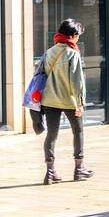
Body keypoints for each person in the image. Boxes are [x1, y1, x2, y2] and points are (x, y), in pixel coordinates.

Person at [39, 18, 93, 185]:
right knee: (78, 132)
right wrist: (80, 102)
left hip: (49, 100)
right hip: (69, 100)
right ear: (73, 35)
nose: (78, 39)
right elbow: (77, 81)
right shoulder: (72, 53)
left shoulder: (49, 52)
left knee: (52, 135)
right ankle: (79, 168)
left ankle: (50, 172)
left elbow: (40, 74)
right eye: (78, 36)